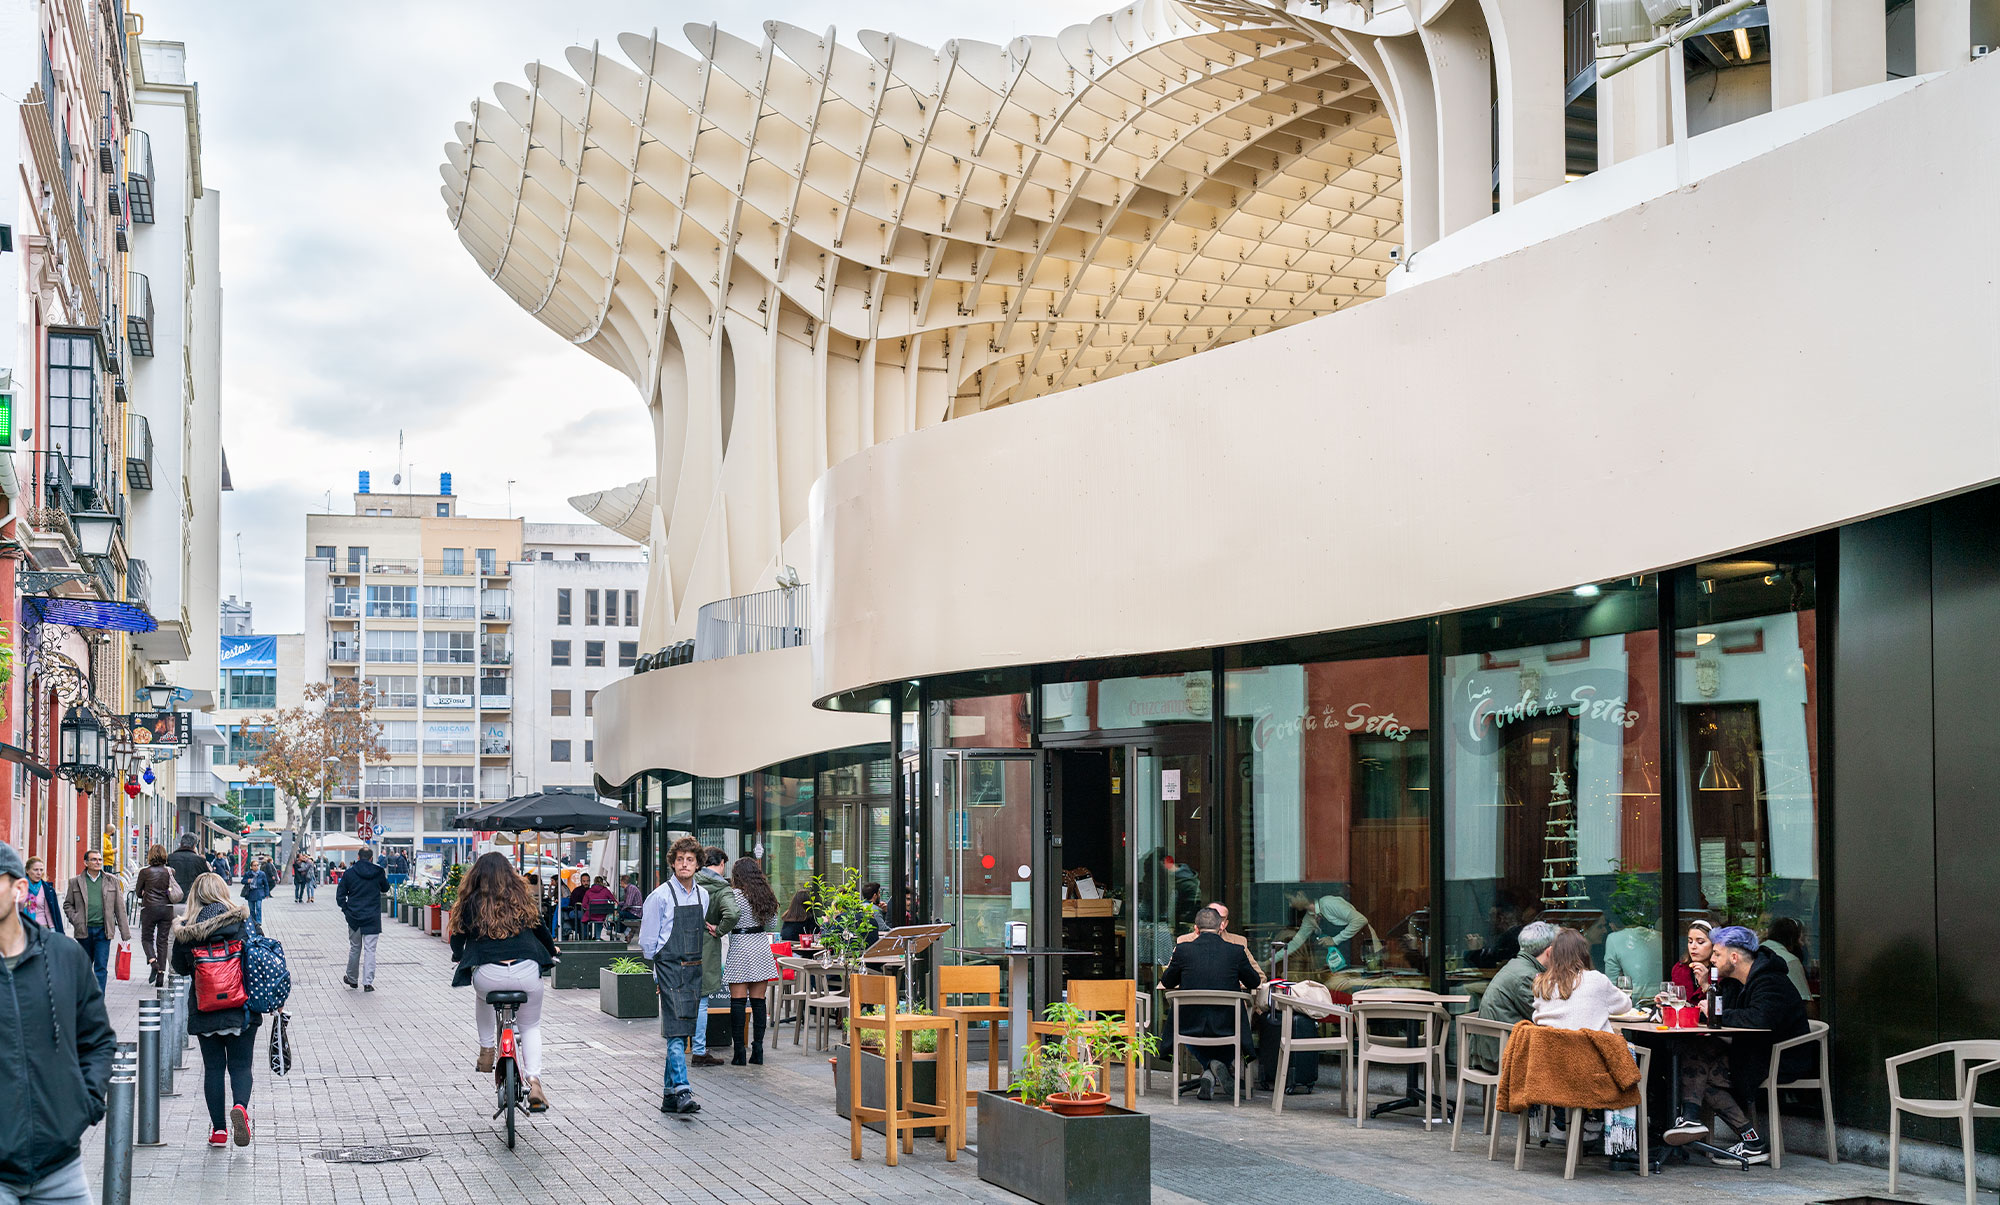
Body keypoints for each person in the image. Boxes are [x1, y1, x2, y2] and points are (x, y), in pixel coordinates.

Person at [0, 840, 117, 1201]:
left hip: (59, 1165)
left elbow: (98, 1040)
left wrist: (85, 1104)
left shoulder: (63, 956)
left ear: (19, 889)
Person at [1664, 925, 1809, 1166]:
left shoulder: (1770, 980)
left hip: (1779, 1057)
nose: (1712, 959)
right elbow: (1724, 1014)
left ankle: (1693, 1119)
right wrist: (1706, 993)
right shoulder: (1733, 982)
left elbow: (1759, 1019)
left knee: (1702, 1067)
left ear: (1734, 957)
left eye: (1717, 954)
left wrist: (1715, 1015)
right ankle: (1746, 1140)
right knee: (1697, 1054)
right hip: (1753, 1050)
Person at [450, 852, 557, 1112]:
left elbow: (457, 936)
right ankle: (534, 1081)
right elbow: (541, 929)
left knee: (482, 996)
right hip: (526, 971)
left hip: (489, 974)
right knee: (530, 1026)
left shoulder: (470, 902)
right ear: (510, 875)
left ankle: (487, 1050)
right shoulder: (522, 898)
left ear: (477, 875)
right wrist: (552, 951)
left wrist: (458, 954)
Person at [641, 837, 739, 1113]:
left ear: (698, 865)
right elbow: (648, 944)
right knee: (675, 1033)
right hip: (670, 970)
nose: (685, 864)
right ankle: (683, 1090)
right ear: (673, 863)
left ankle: (669, 1096)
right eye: (680, 859)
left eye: (690, 860)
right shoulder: (659, 896)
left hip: (694, 970)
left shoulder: (703, 895)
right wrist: (658, 975)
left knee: (682, 1030)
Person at [170, 873, 261, 1148]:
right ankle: (241, 1109)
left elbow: (179, 967)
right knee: (241, 1066)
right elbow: (257, 958)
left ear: (194, 896)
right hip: (240, 1005)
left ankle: (219, 1131)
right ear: (223, 892)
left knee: (213, 1069)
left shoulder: (187, 930)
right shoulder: (243, 922)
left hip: (206, 1006)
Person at [1159, 906, 1261, 1100]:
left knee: (1180, 1019)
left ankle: (1208, 1070)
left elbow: (1167, 982)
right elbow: (1255, 982)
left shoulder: (1182, 950)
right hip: (1228, 1024)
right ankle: (1215, 1066)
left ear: (1196, 929)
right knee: (1238, 1022)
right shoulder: (1236, 951)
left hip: (1190, 1025)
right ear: (1221, 926)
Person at [1467, 920, 1561, 1072]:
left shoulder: (1516, 965)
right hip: (1500, 1053)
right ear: (1549, 952)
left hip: (1490, 1048)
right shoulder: (1527, 976)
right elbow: (1546, 1018)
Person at [723, 857, 781, 1066]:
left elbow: (728, 919)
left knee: (737, 1001)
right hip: (760, 946)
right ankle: (758, 1049)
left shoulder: (734, 895)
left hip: (740, 946)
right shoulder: (766, 895)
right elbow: (773, 924)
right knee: (759, 1001)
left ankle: (739, 1052)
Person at [1529, 929, 1633, 1033]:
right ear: (1584, 953)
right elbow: (1625, 1005)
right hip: (1590, 1047)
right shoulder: (1596, 979)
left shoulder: (1541, 984)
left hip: (1552, 1047)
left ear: (1552, 955)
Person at [688, 848, 737, 1067]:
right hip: (707, 949)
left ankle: (680, 1046)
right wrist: (719, 930)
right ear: (722, 864)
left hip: (683, 945)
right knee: (702, 1001)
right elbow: (733, 914)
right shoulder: (721, 887)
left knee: (684, 998)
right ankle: (699, 1050)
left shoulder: (689, 881)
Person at [60, 849, 129, 991]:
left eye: (99, 860)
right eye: (94, 859)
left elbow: (120, 908)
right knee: (83, 968)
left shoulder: (112, 881)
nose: (98, 862)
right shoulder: (76, 882)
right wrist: (76, 919)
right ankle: (84, 1000)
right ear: (86, 862)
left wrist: (125, 934)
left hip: (103, 932)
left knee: (101, 967)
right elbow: (67, 904)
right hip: (83, 931)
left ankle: (98, 1002)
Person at [1279, 889, 1375, 973]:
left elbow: (1361, 920)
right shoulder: (1309, 918)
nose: (1290, 904)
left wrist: (1334, 940)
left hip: (1367, 953)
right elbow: (1295, 943)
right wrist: (1270, 961)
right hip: (1345, 961)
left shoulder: (1328, 903)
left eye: (1290, 900)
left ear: (1300, 894)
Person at [335, 848, 388, 992]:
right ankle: (368, 982)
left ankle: (352, 979)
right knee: (370, 950)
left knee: (355, 948)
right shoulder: (378, 872)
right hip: (372, 917)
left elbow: (340, 895)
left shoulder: (350, 873)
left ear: (358, 857)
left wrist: (346, 910)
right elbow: (385, 888)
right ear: (371, 858)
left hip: (354, 917)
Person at [133, 845, 182, 987]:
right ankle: (161, 974)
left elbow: (137, 892)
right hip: (167, 909)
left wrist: (145, 892)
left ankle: (152, 961)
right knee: (163, 941)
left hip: (149, 909)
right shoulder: (170, 871)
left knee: (147, 938)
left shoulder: (145, 872)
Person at [1763, 917, 1813, 1001]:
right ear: (1793, 939)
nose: (1802, 944)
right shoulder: (1790, 961)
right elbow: (1805, 999)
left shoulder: (1754, 954)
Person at [1668, 919, 1715, 1005]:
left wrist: (1705, 984)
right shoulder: (1679, 969)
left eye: (1700, 942)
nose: (1693, 946)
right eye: (1690, 941)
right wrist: (1666, 1002)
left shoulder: (1721, 971)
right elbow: (1677, 1001)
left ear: (1713, 944)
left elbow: (1721, 1006)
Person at [19, 857, 62, 937]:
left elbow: (48, 911)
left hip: (42, 928)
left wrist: (53, 929)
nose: (39, 873)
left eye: (41, 870)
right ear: (27, 871)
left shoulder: (47, 889)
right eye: (35, 870)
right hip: (22, 928)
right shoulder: (19, 887)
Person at [167, 835, 209, 899]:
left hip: (173, 895)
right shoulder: (200, 860)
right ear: (194, 846)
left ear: (181, 844)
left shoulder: (170, 858)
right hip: (193, 897)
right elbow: (207, 878)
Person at [241, 858, 271, 933]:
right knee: (251, 909)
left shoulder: (262, 874)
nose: (256, 867)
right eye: (254, 865)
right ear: (251, 867)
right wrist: (247, 881)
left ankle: (258, 921)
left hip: (259, 892)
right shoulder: (248, 874)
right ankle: (253, 921)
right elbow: (242, 881)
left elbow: (266, 884)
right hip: (250, 893)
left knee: (258, 907)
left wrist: (267, 893)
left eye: (257, 865)